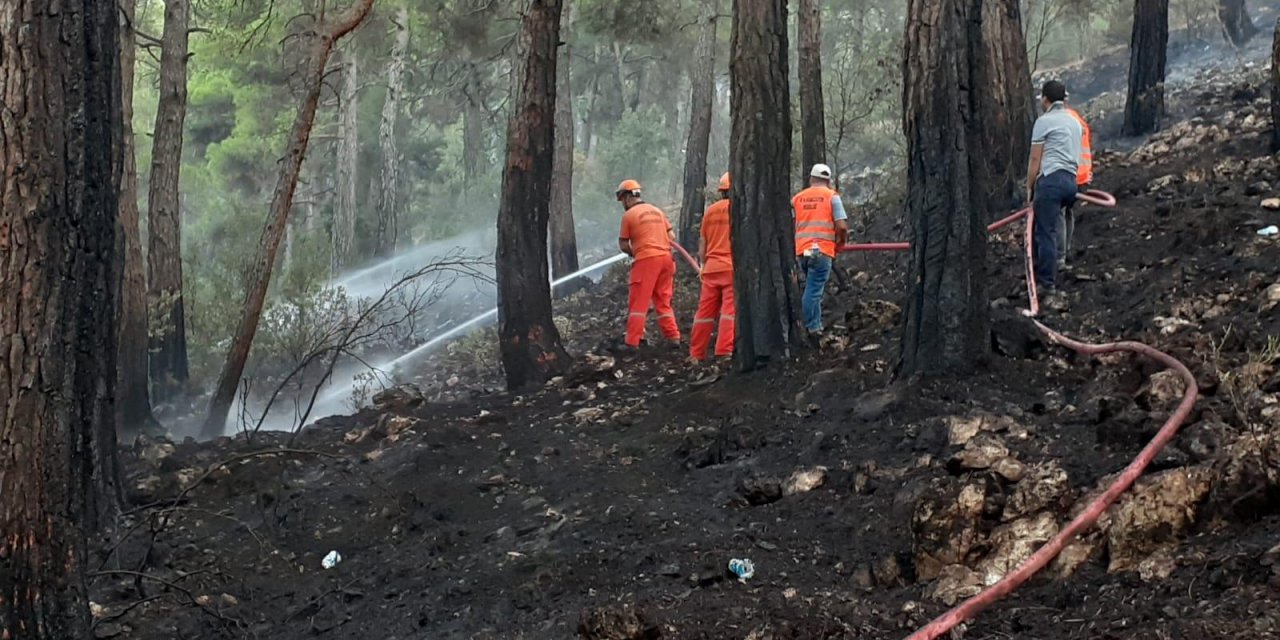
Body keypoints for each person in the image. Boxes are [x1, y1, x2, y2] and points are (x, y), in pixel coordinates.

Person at [1026, 80, 1083, 299]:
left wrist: (1030, 187)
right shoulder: (1074, 122)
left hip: (1050, 181)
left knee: (1045, 232)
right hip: (1071, 181)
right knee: (1062, 217)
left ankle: (1047, 285)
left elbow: (1035, 159)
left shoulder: (1044, 122)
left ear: (1045, 99)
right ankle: (1061, 259)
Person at [617, 179, 681, 348]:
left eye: (622, 199)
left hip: (647, 260)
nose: (622, 203)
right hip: (666, 260)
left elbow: (623, 244)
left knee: (638, 302)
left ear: (627, 197)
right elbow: (672, 237)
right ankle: (673, 337)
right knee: (663, 300)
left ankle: (632, 343)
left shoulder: (629, 215)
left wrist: (635, 252)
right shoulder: (657, 211)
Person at [791, 163, 849, 335]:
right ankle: (812, 327)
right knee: (814, 290)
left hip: (803, 251)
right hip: (821, 250)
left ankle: (812, 323)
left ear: (811, 179)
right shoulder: (832, 196)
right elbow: (842, 226)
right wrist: (840, 243)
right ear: (828, 181)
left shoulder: (797, 198)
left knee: (810, 287)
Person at [690, 173, 735, 362]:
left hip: (711, 268)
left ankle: (696, 354)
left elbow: (703, 244)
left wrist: (703, 265)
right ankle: (723, 351)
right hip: (731, 268)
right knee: (729, 312)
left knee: (704, 313)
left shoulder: (710, 211)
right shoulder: (738, 210)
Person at [1058, 102, 1093, 268]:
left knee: (1059, 212)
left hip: (1068, 176)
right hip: (1081, 177)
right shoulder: (1076, 118)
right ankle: (1066, 249)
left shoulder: (1058, 121)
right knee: (1068, 212)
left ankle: (1059, 257)